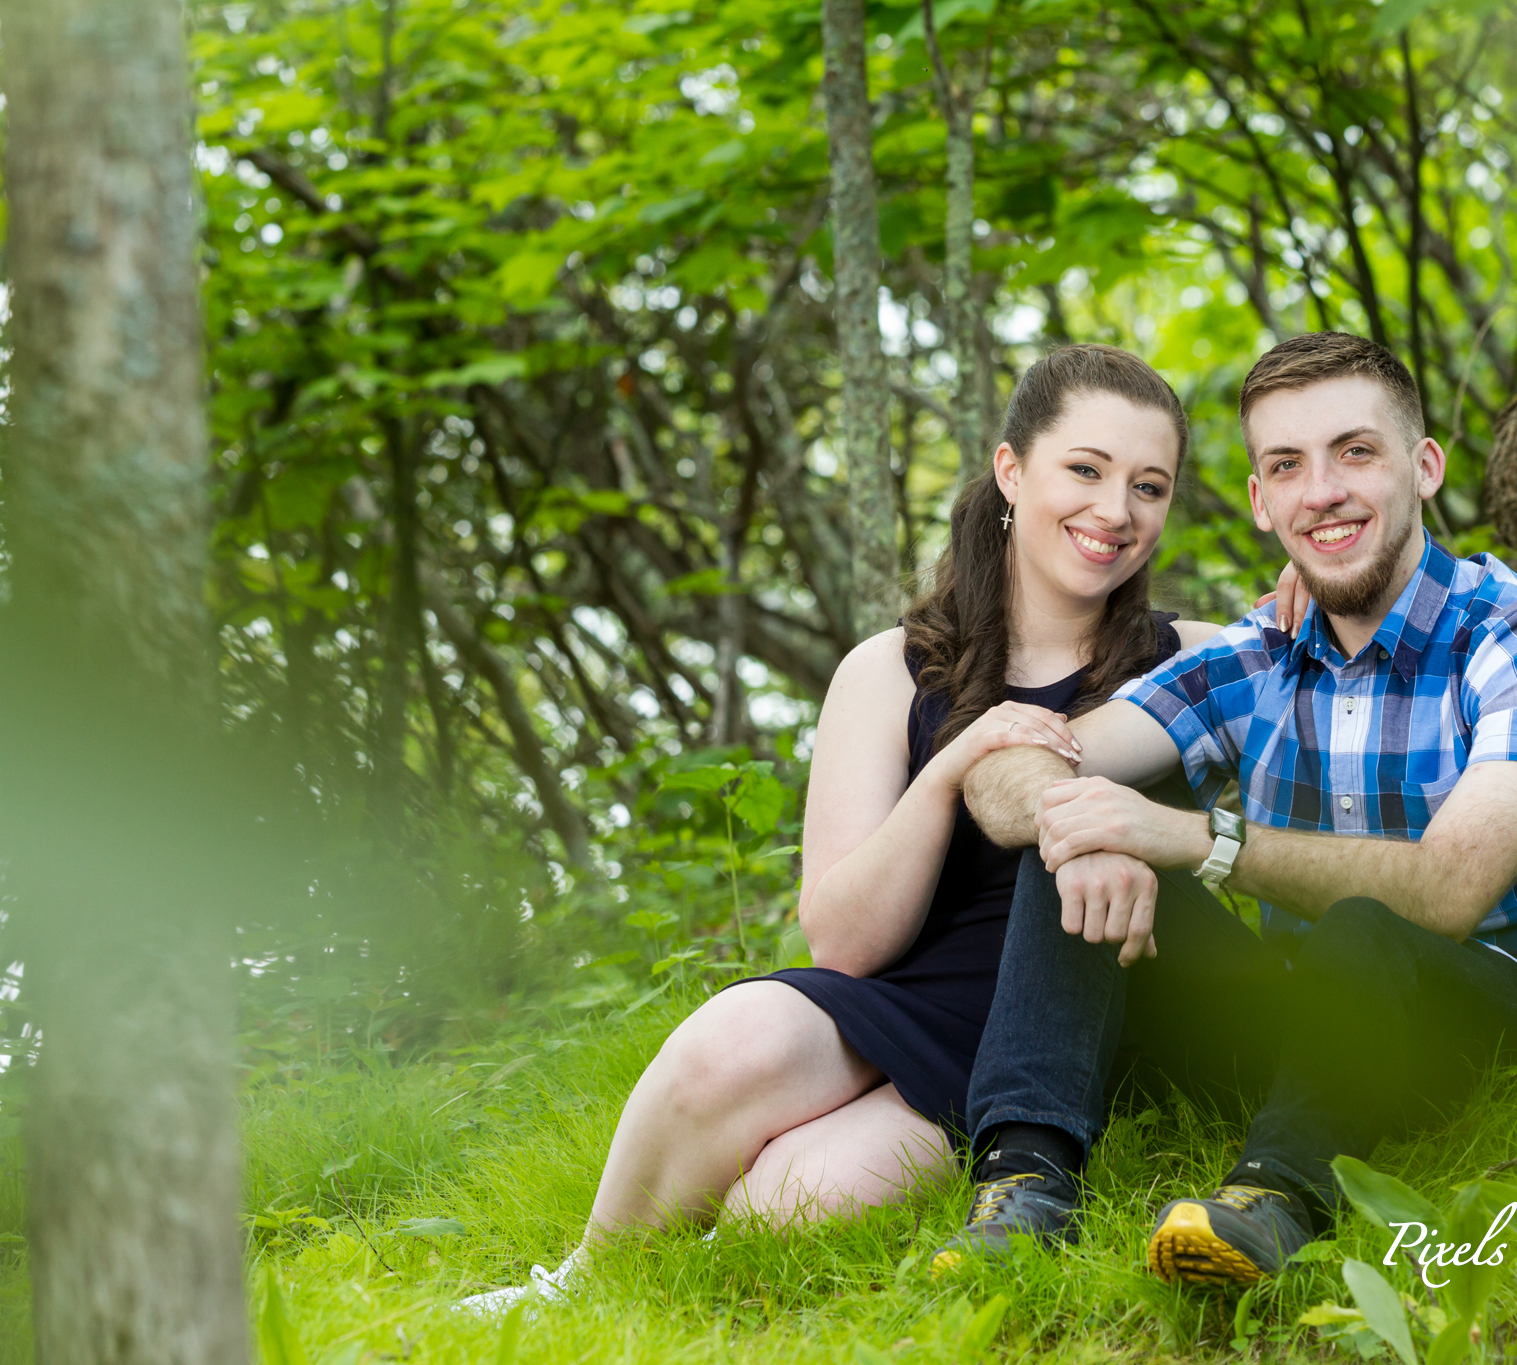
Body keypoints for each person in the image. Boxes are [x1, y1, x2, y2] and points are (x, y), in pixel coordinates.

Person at [457, 344, 1225, 1315]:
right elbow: (845, 942)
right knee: (731, 1037)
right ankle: (573, 1282)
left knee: (778, 1216)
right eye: (1085, 469)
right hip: (915, 1004)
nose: (1114, 511)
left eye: (1146, 486)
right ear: (1009, 470)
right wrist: (948, 769)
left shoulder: (1192, 657)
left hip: (1077, 1025)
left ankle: (997, 1150)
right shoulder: (888, 672)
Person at [930, 331, 1517, 1285]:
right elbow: (1005, 768)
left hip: (1501, 1026)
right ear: (1262, 500)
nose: (1323, 491)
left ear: (1422, 468)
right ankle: (1024, 1189)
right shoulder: (1259, 653)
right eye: (1287, 465)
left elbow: (1449, 888)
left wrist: (1186, 837)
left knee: (1363, 929)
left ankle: (1272, 1195)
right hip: (1313, 1023)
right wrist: (1080, 818)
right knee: (1077, 828)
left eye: (1355, 452)